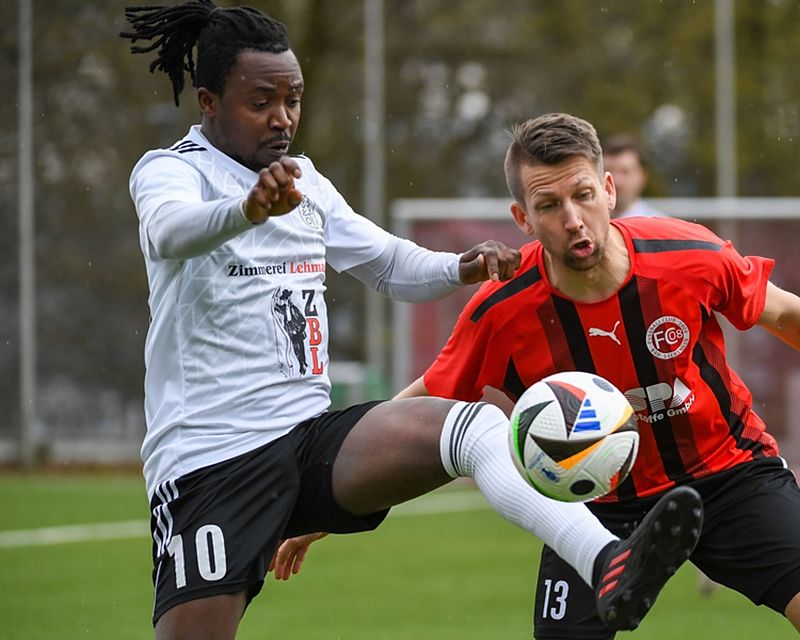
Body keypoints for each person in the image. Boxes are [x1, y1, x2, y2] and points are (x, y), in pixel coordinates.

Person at [119, 4, 703, 639]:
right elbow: (169, 232)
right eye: (261, 101)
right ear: (209, 101)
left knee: (474, 426)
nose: (282, 117)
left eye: (293, 99)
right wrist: (247, 209)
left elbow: (389, 264)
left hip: (308, 439)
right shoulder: (172, 171)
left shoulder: (305, 182)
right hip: (214, 458)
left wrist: (462, 267)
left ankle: (607, 562)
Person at [386, 113, 800, 639]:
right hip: (592, 511)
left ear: (610, 190)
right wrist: (333, 495)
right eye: (549, 205)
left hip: (730, 477)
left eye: (584, 195)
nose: (573, 218)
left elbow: (788, 314)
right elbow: (425, 406)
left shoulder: (688, 255)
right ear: (522, 218)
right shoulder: (501, 309)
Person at [602, 134, 663, 218]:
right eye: (609, 171)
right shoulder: (583, 224)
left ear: (642, 176)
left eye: (625, 172)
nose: (616, 180)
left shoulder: (657, 227)